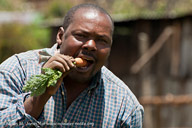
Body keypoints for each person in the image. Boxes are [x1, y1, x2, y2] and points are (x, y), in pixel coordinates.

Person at [0, 3, 144, 128]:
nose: (90, 45)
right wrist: (39, 97)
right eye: (81, 35)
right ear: (61, 36)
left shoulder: (125, 107)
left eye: (102, 40)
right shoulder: (16, 70)